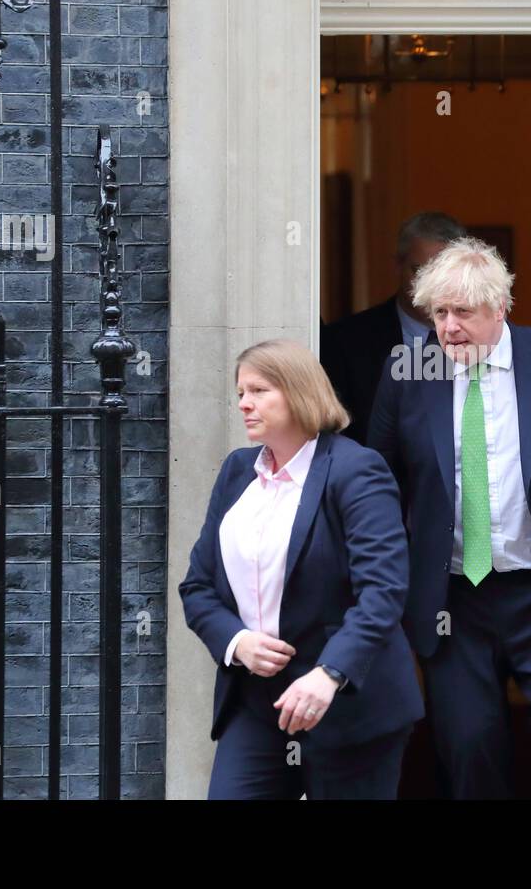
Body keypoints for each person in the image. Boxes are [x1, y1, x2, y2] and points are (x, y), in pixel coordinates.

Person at [366, 237, 531, 799]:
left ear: (501, 307)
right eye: (438, 312)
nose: (449, 327)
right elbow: (379, 478)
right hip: (454, 601)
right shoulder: (408, 372)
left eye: (463, 312)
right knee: (470, 752)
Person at [179, 338, 423, 799]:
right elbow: (197, 586)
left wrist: (330, 672)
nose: (244, 404)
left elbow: (383, 591)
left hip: (349, 704)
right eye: (240, 393)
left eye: (259, 391)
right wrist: (237, 642)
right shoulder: (237, 471)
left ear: (298, 392)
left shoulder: (356, 469)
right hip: (257, 702)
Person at [320, 211, 467, 446]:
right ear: (398, 265)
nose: (429, 287)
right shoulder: (346, 342)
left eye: (442, 275)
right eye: (418, 271)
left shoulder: (484, 338)